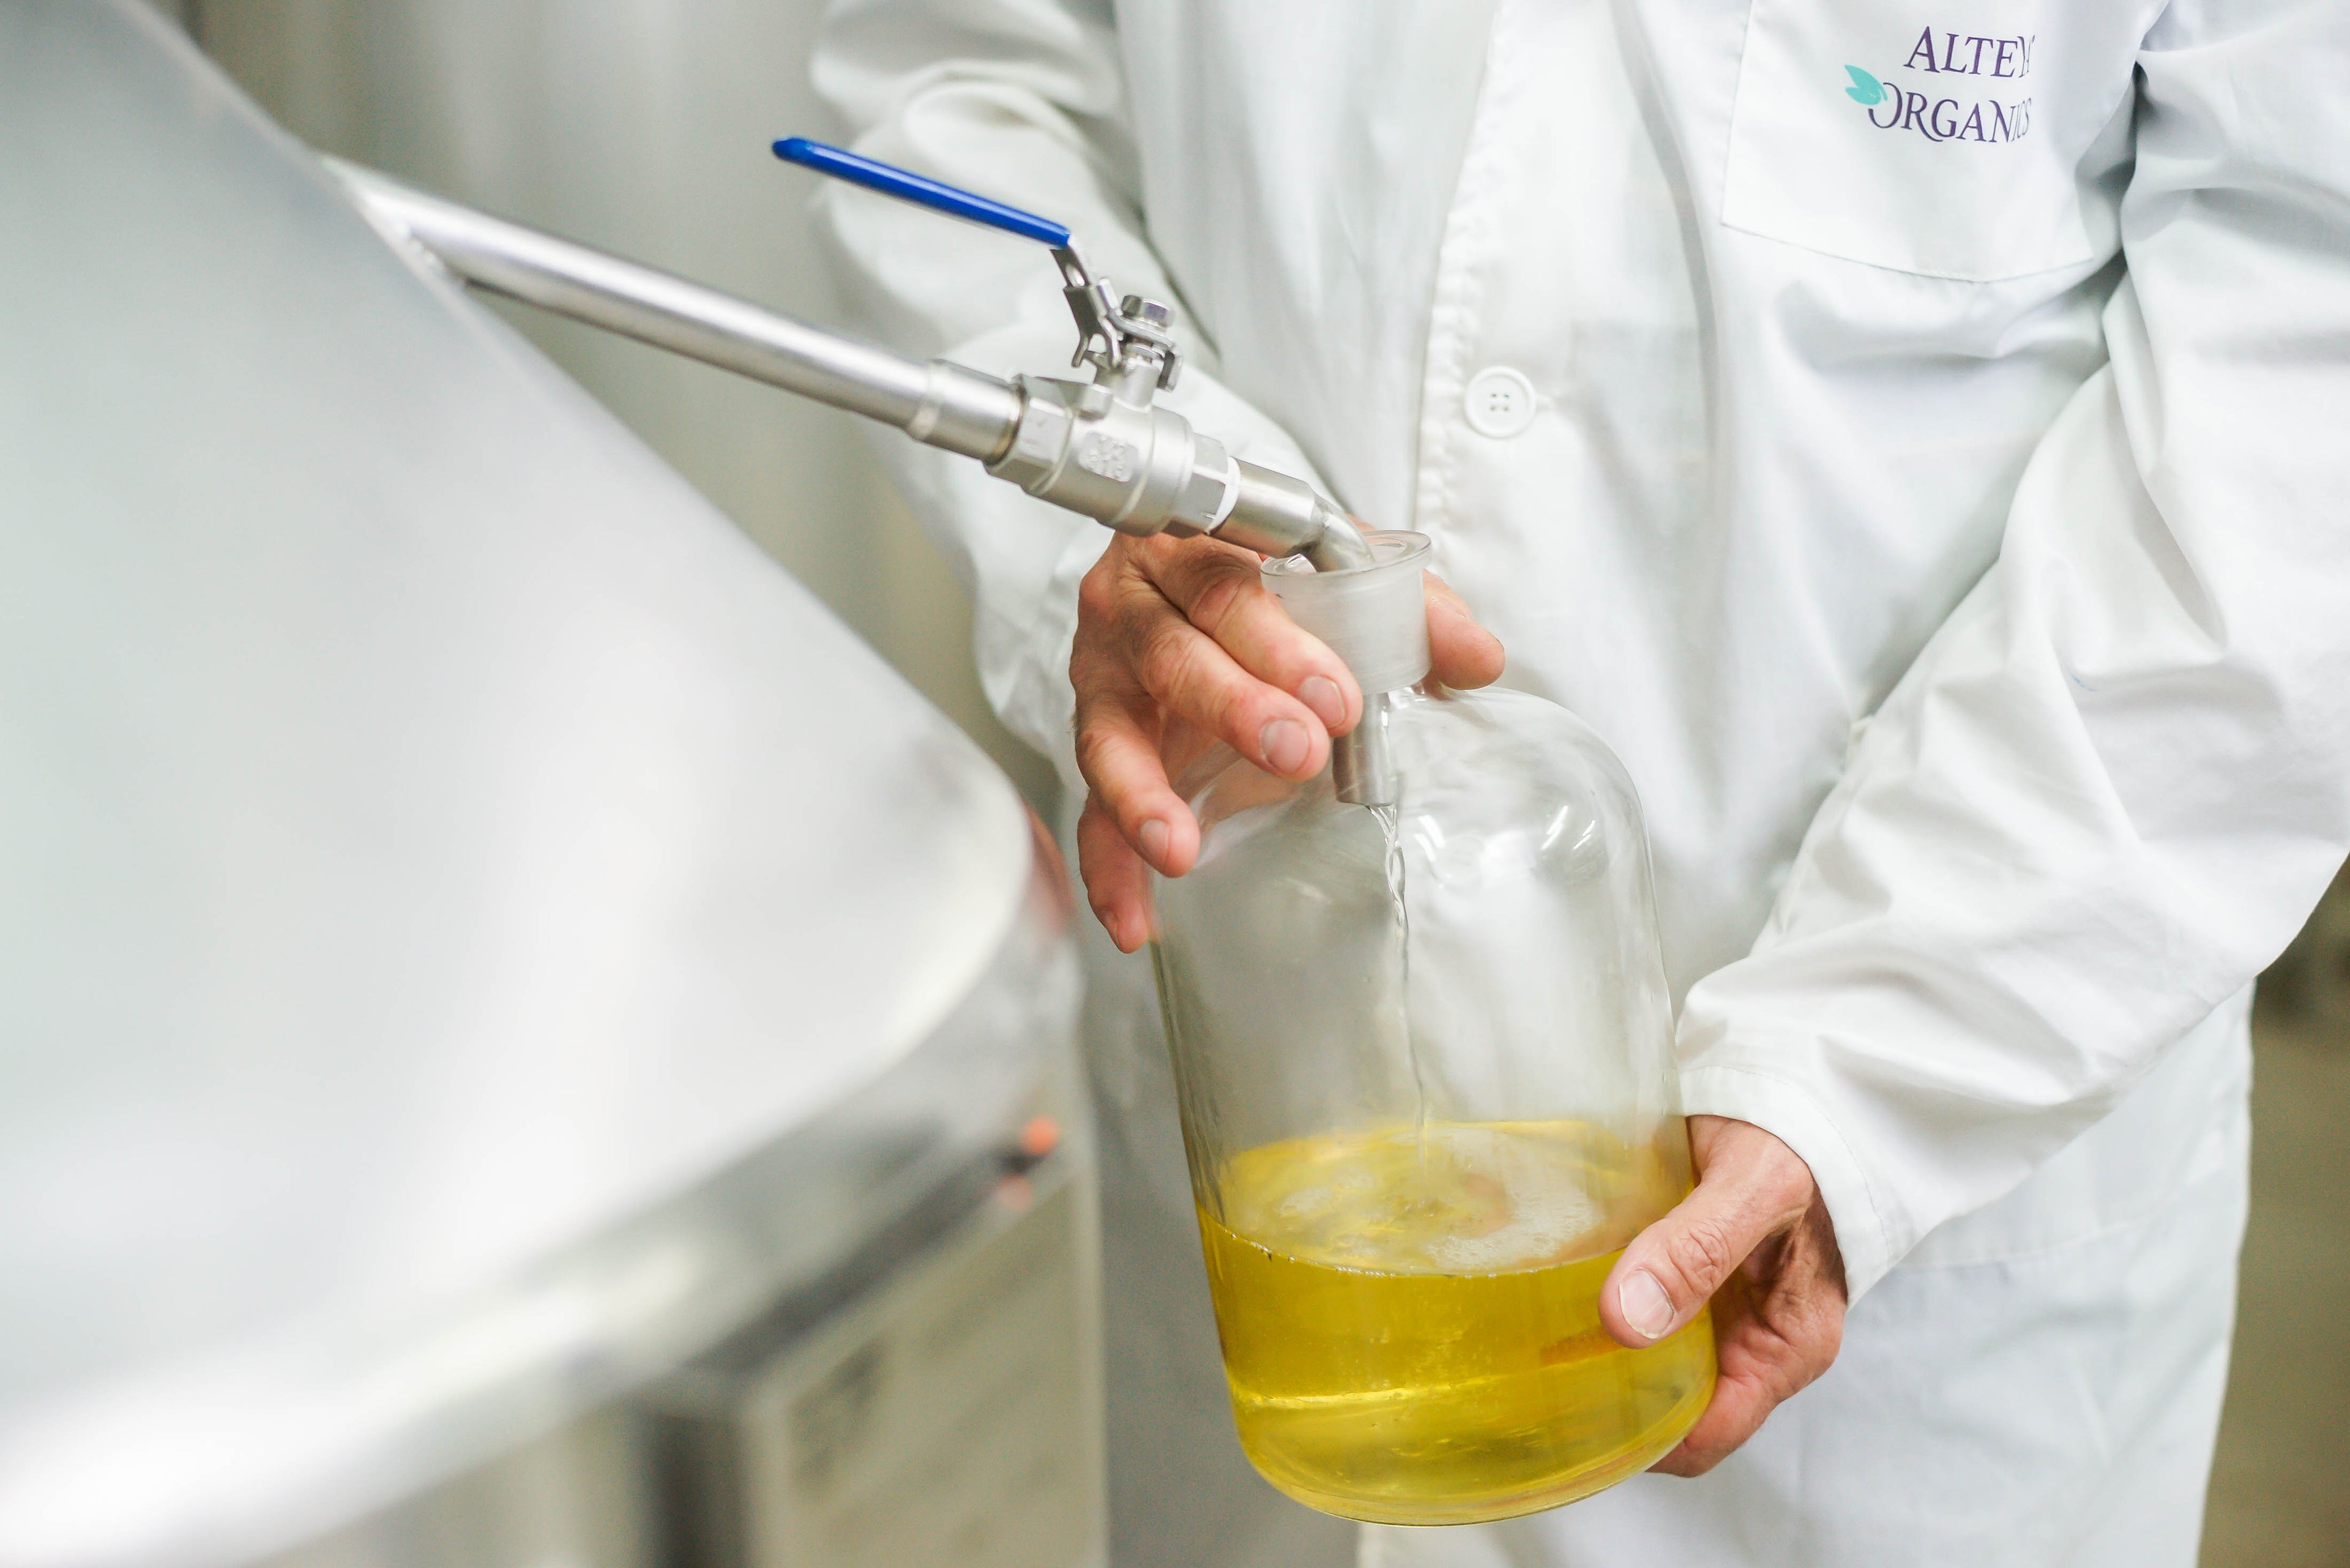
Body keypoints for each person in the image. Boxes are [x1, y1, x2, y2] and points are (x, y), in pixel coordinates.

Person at [808, 1, 2350, 1564]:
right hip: (1259, 1118)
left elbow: (2300, 380)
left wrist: (1879, 1066)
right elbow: (959, 82)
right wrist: (1131, 505)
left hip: (1923, 1258)